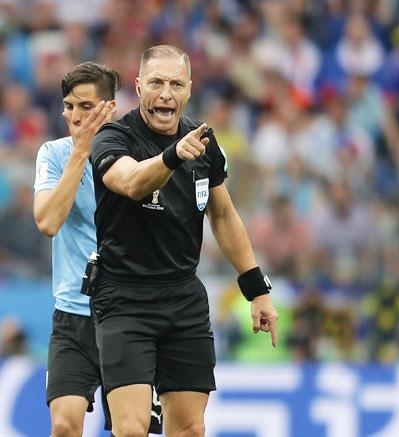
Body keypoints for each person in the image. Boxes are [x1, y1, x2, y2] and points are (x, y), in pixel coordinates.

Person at [89, 45, 279, 436]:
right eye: (156, 83)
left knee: (190, 428)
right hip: (124, 298)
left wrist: (256, 289)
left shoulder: (204, 146)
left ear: (189, 88)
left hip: (183, 299)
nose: (165, 93)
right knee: (131, 428)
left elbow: (223, 215)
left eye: (176, 83)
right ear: (139, 87)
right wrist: (173, 156)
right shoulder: (113, 137)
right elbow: (131, 182)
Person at [33, 62, 162, 436]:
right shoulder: (54, 155)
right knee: (64, 424)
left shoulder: (136, 156)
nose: (75, 115)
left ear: (110, 108)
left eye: (86, 107)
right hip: (73, 314)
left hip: (131, 314)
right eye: (69, 106)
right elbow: (47, 222)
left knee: (132, 431)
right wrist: (80, 153)